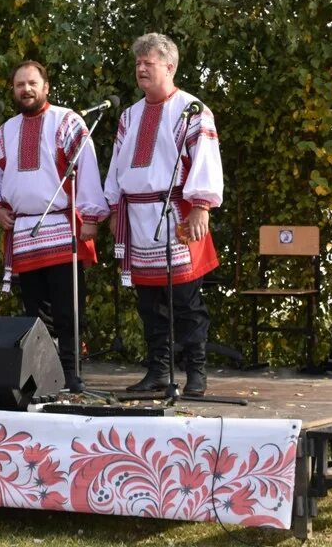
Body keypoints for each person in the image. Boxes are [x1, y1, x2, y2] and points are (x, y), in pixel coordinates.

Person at [103, 33, 223, 397]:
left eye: (148, 63)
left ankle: (196, 374)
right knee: (149, 302)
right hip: (136, 216)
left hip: (176, 213)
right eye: (138, 63)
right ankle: (158, 371)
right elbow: (116, 166)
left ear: (169, 66)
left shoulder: (192, 109)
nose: (141, 68)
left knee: (185, 299)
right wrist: (111, 208)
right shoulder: (129, 115)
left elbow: (204, 158)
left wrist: (201, 205)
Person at [0, 61, 108, 392]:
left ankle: (72, 373)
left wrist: (91, 216)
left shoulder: (67, 121)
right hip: (24, 232)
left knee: (68, 309)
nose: (26, 89)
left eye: (32, 83)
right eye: (19, 84)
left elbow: (87, 168)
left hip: (61, 225)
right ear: (13, 90)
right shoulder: (4, 131)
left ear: (46, 86)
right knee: (33, 312)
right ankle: (42, 374)